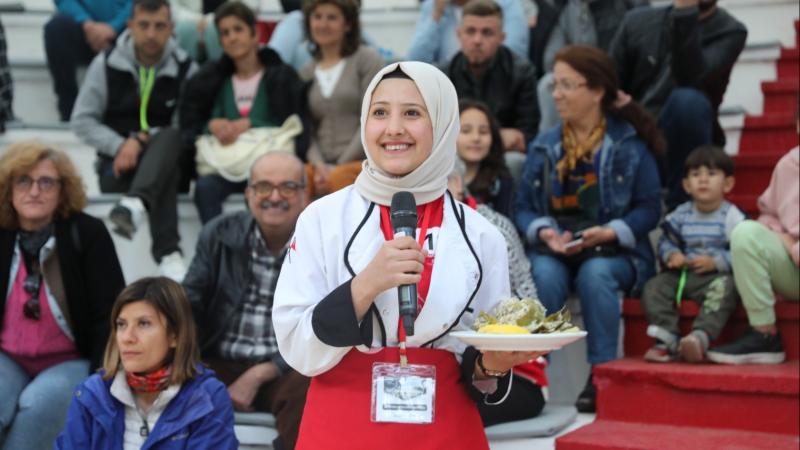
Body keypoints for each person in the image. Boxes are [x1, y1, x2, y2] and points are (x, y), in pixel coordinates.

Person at [273, 61, 543, 449]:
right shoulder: (321, 218)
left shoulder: (482, 234)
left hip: (445, 429)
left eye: (412, 113)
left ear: (443, 124)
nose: (394, 128)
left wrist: (491, 366)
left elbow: (479, 364)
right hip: (342, 426)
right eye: (380, 112)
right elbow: (297, 345)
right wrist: (364, 286)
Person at [514, 45, 662, 412]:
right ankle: (533, 374)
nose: (557, 94)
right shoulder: (545, 145)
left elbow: (649, 208)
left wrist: (610, 231)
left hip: (613, 251)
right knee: (543, 274)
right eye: (555, 85)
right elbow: (523, 208)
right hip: (557, 248)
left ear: (597, 91)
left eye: (567, 85)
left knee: (596, 275)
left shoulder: (628, 143)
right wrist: (544, 231)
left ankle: (601, 374)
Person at [0, 141, 125, 450]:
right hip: (7, 357)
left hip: (71, 360)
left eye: (46, 182)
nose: (34, 191)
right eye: (24, 181)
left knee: (38, 406)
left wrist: (102, 381)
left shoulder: (88, 233)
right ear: (9, 188)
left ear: (62, 190)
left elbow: (111, 315)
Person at [183, 152, 311, 450]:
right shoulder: (219, 233)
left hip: (287, 369)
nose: (275, 197)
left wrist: (262, 372)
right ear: (248, 194)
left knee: (314, 390)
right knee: (180, 380)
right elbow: (188, 302)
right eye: (264, 187)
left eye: (288, 187)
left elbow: (324, 323)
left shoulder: (321, 242)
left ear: (305, 195)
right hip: (219, 362)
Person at [71, 0, 197, 282]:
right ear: (130, 26)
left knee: (173, 136)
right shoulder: (106, 63)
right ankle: (168, 254)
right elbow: (81, 120)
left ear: (171, 29)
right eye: (144, 25)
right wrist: (120, 145)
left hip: (168, 166)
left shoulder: (186, 68)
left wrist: (140, 141)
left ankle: (136, 204)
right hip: (118, 170)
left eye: (159, 26)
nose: (151, 34)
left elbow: (187, 127)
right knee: (166, 168)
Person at [55, 277, 238, 449]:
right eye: (121, 324)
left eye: (143, 324)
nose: (127, 337)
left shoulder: (208, 398)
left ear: (175, 335)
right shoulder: (91, 394)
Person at [609, 0, 747, 210]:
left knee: (687, 101)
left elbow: (690, 78)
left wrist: (685, 15)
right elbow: (609, 84)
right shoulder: (637, 22)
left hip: (683, 146)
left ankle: (683, 207)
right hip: (634, 134)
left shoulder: (730, 31)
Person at [180, 1, 309, 224]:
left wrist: (251, 123)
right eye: (225, 33)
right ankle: (216, 244)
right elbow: (199, 121)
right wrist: (212, 125)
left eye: (238, 29)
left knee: (265, 188)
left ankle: (262, 244)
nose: (232, 37)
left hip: (269, 166)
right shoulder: (216, 80)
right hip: (227, 164)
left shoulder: (280, 76)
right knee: (205, 188)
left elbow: (291, 121)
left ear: (254, 34)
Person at [447, 161, 547, 426]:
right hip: (449, 367)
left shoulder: (490, 227)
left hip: (511, 373)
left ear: (457, 183)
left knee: (443, 412)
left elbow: (527, 298)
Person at [641, 145, 744, 363]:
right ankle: (666, 337)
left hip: (714, 277)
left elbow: (742, 251)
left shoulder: (732, 216)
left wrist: (716, 262)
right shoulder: (681, 214)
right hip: (682, 275)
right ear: (687, 185)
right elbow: (666, 241)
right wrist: (672, 255)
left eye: (711, 174)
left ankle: (700, 337)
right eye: (696, 175)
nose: (703, 180)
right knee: (654, 287)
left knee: (728, 287)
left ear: (727, 184)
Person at [707, 146, 800, 365]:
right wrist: (780, 236)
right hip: (794, 271)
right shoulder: (789, 164)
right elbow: (769, 215)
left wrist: (794, 246)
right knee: (745, 232)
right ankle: (764, 334)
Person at [299, 0, 384, 196]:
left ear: (348, 24)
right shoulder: (305, 72)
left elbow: (372, 117)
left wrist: (338, 166)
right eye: (317, 17)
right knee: (294, 178)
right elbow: (306, 129)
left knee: (339, 178)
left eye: (332, 18)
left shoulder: (367, 59)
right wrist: (319, 165)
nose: (323, 24)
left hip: (361, 160)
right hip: (320, 164)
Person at [531, 0, 648, 132]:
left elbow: (623, 61)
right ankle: (552, 142)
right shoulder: (564, 7)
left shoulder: (627, 6)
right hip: (573, 76)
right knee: (547, 85)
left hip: (611, 80)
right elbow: (550, 60)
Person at [442, 0, 539, 154]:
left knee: (515, 161)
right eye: (470, 31)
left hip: (503, 155)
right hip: (456, 153)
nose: (477, 40)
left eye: (487, 33)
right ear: (459, 34)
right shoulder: (443, 76)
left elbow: (527, 135)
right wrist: (496, 136)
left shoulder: (522, 73)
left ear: (502, 37)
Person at [44, 0, 133, 121]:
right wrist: (87, 23)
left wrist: (114, 27)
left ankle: (127, 113)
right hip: (83, 28)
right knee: (56, 29)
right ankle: (69, 110)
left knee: (145, 29)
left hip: (125, 28)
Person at [408, 0, 528, 66]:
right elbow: (415, 63)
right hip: (446, 84)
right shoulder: (433, 6)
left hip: (495, 85)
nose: (477, 40)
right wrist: (437, 15)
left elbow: (514, 57)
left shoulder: (506, 4)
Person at [457, 99, 515, 218]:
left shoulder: (501, 181)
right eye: (466, 131)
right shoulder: (439, 179)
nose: (476, 138)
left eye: (483, 132)